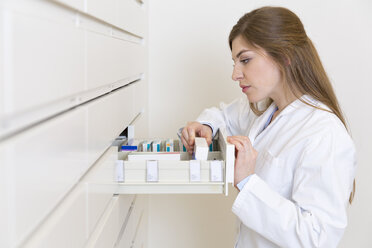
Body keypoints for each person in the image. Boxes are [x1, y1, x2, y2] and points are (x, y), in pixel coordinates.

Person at [180, 6, 356, 248]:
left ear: (284, 56)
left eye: (245, 60)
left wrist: (247, 182)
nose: (235, 74)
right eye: (234, 62)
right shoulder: (264, 110)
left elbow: (317, 238)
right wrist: (206, 126)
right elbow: (222, 116)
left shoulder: (324, 133)